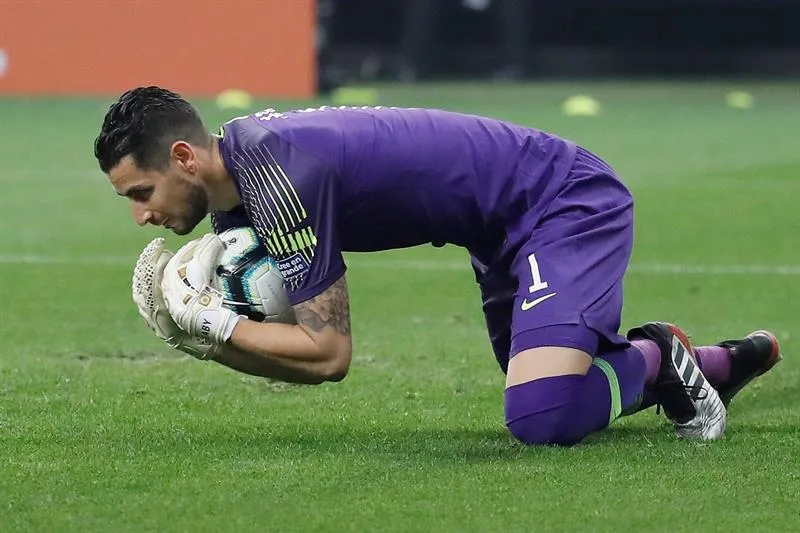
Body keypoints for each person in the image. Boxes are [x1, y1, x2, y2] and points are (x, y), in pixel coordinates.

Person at [94, 86, 781, 446]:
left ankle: (659, 357)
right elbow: (304, 362)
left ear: (184, 159)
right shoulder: (243, 193)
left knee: (540, 413)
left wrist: (212, 328)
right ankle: (723, 362)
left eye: (141, 193)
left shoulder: (277, 178)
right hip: (497, 229)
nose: (141, 216)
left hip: (559, 200)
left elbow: (327, 354)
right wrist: (206, 338)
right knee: (554, 391)